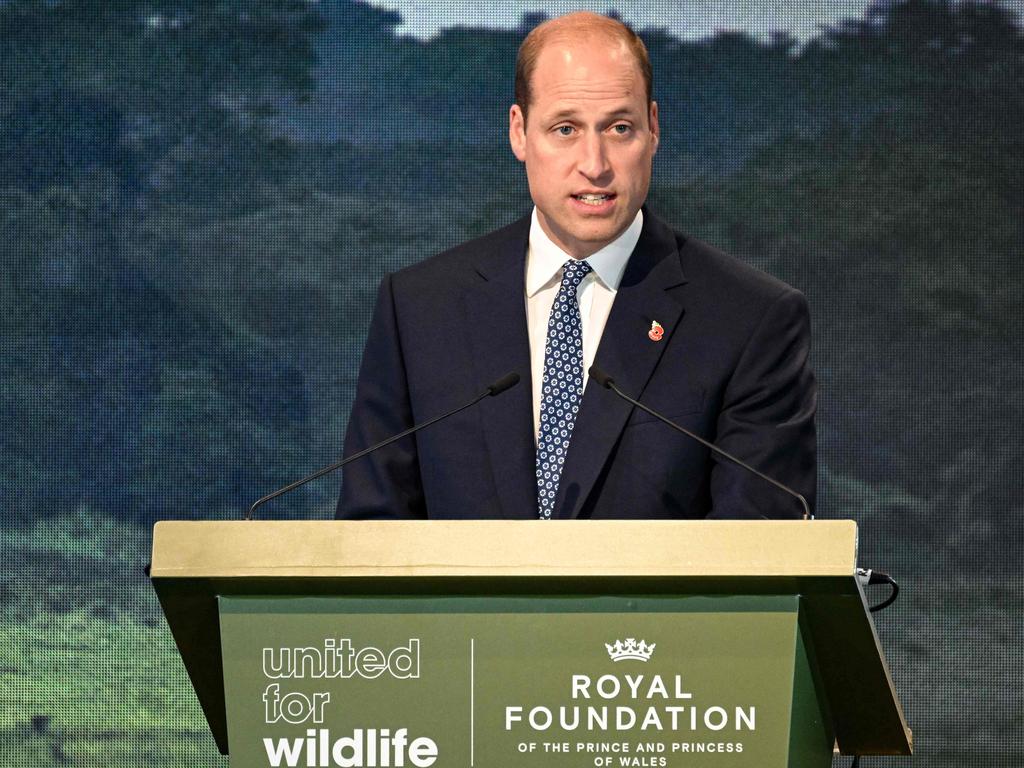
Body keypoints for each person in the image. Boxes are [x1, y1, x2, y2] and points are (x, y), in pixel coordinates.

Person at [336, 12, 815, 520]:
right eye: (565, 129)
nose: (595, 163)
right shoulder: (419, 308)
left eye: (619, 128)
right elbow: (372, 531)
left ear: (654, 129)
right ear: (519, 132)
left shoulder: (750, 318)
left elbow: (763, 550)